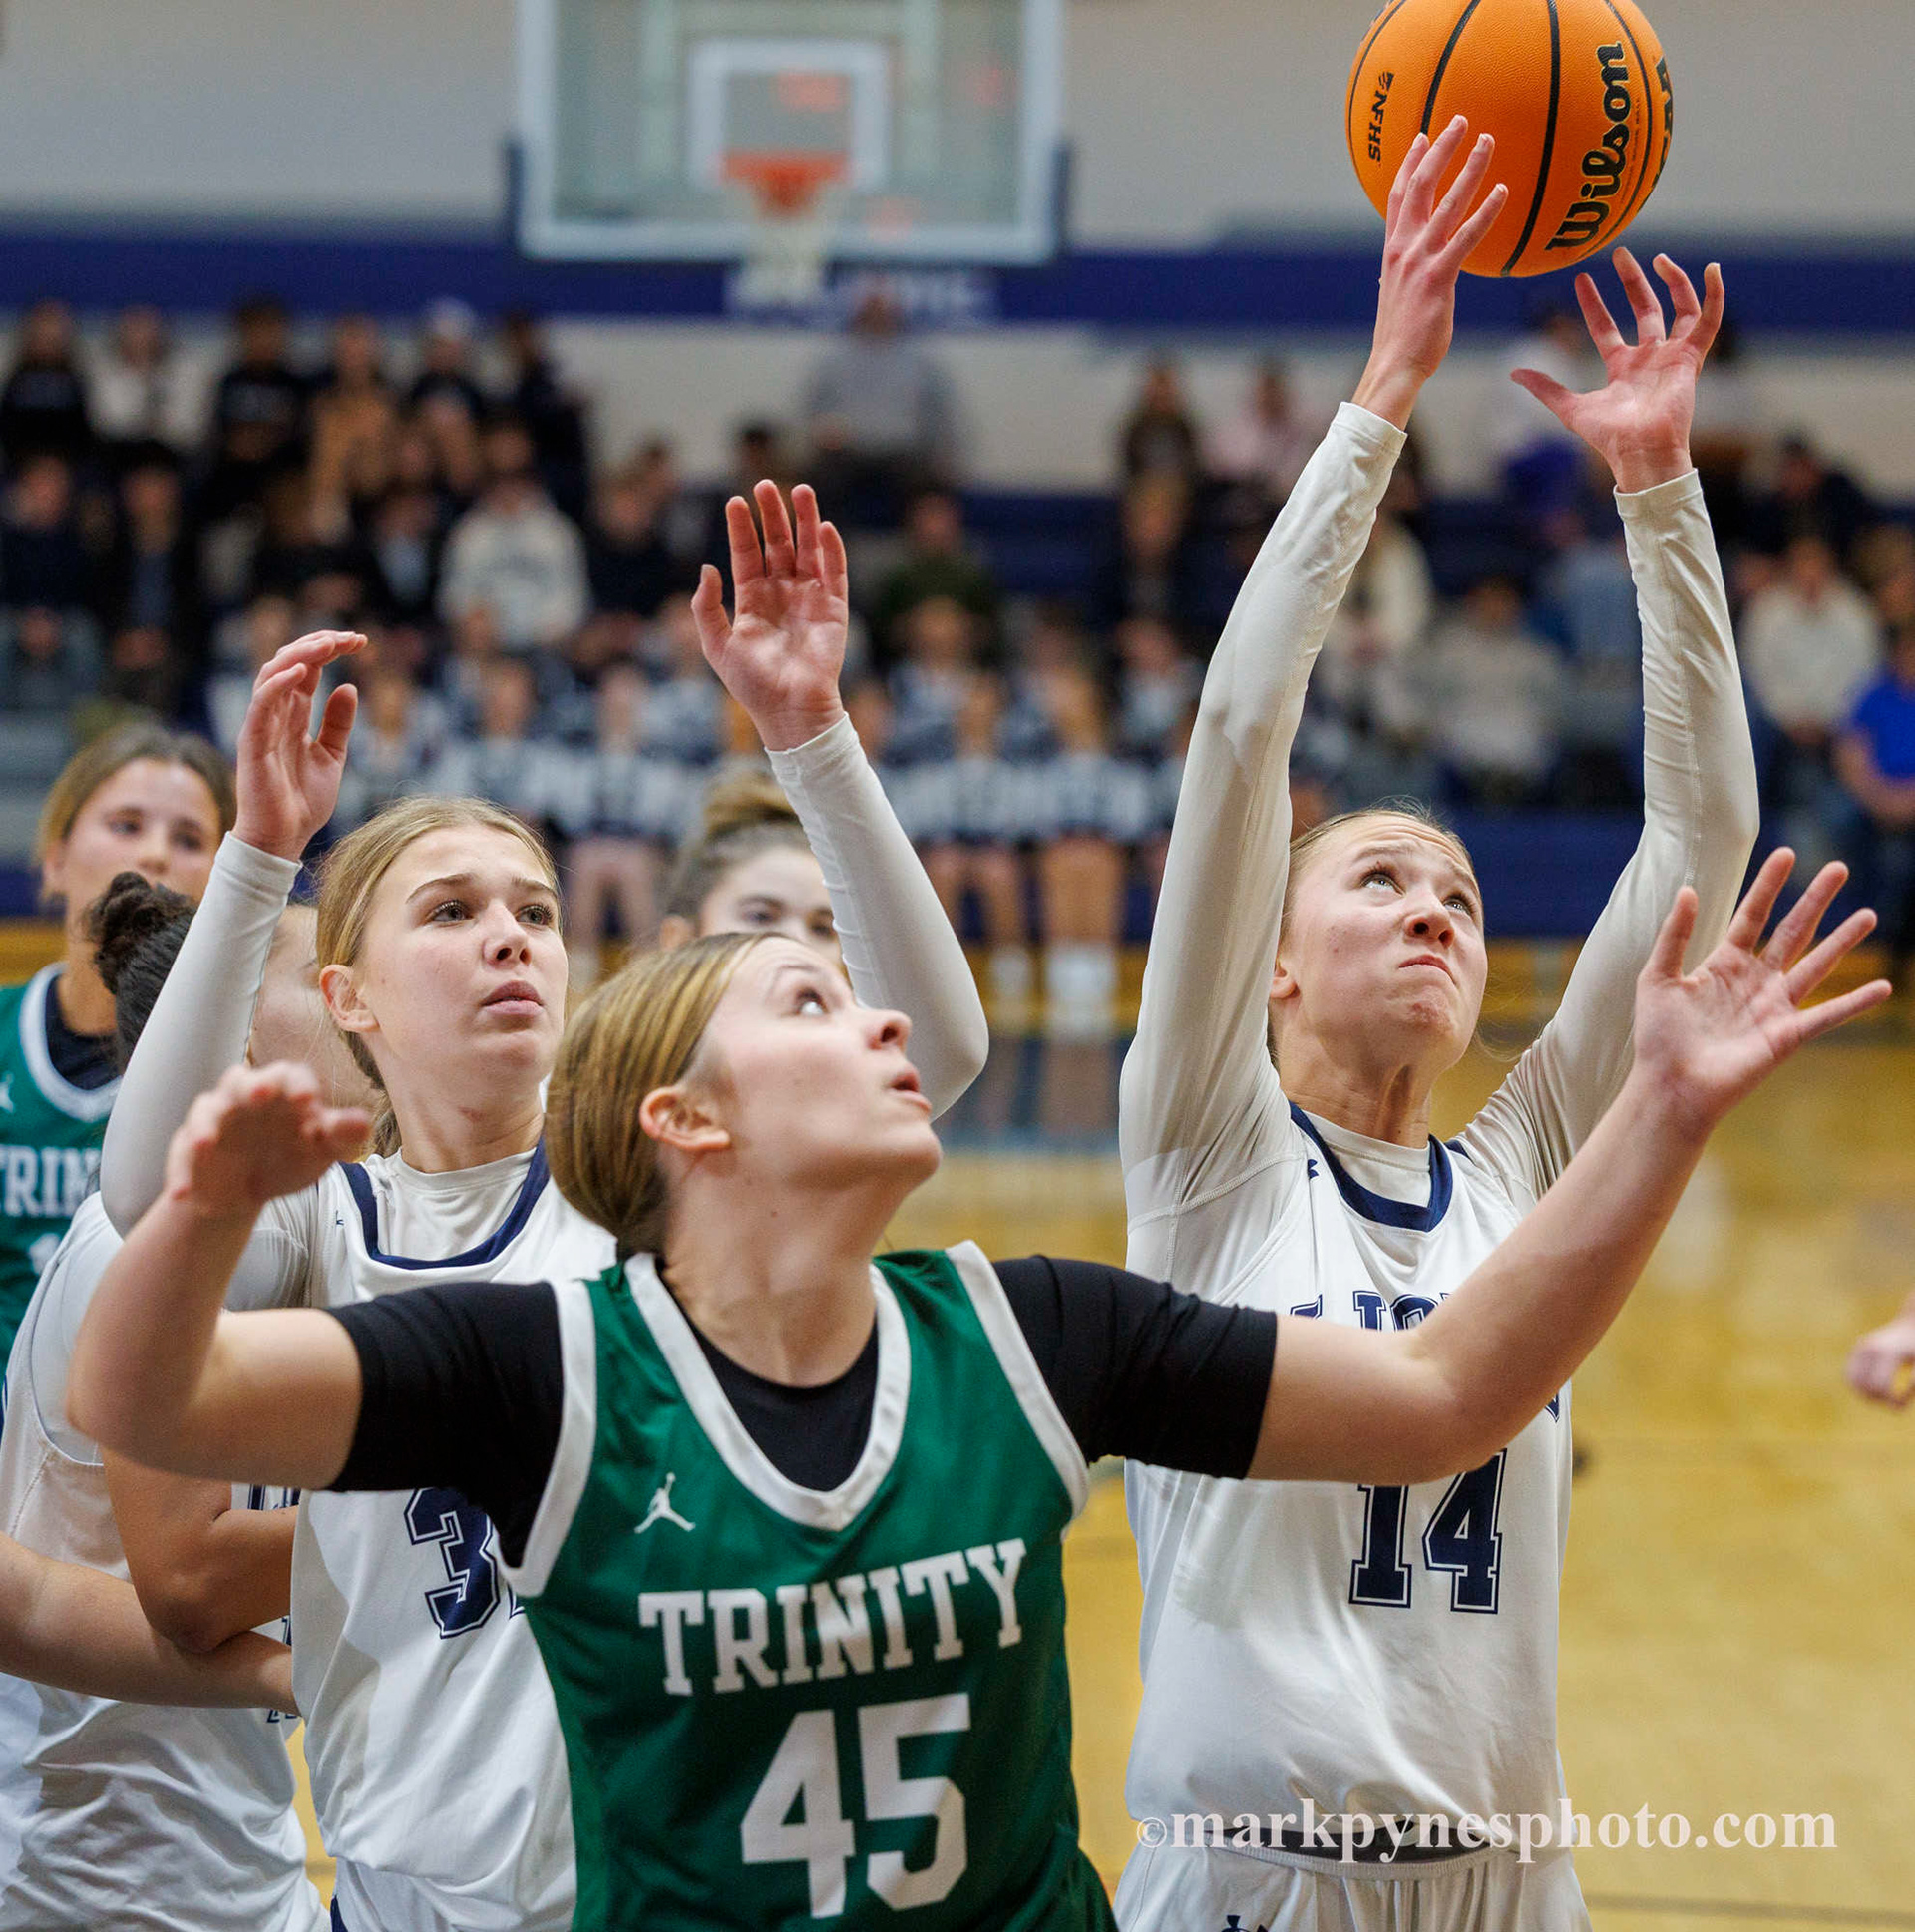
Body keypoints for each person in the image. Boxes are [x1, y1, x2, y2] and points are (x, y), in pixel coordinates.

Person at [67, 848, 1886, 1932]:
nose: (880, 1025)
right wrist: (207, 1208)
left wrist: (1662, 1106)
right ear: (685, 1122)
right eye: (810, 1002)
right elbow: (153, 1402)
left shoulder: (1036, 1334)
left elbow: (1440, 1394)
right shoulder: (543, 1364)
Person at [95, 481, 985, 1932]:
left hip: (666, 1889)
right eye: (450, 913)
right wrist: (260, 852)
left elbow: (935, 1054)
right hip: (397, 1895)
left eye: (535, 909)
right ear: (349, 999)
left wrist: (812, 736)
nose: (509, 933)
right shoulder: (319, 1224)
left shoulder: (648, 1175)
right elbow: (144, 1190)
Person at [1110, 123, 1763, 1932]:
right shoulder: (1206, 1147)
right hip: (1253, 1881)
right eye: (1383, 879)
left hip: (1508, 1882)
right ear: (1274, 966)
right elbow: (1244, 737)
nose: (1432, 908)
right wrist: (1383, 399)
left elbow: (1700, 844)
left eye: (1462, 900)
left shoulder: (1522, 1162)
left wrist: (1658, 495)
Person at [0, 873, 374, 1932]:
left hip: (225, 1831)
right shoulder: (184, 1235)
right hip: (90, 1862)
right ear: (235, 1037)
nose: (360, 991)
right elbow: (194, 1574)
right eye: (325, 974)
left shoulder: (304, 1216)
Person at [0, 724, 232, 1353]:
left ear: (225, 882)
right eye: (126, 825)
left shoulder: (239, 1064)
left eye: (189, 838)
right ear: (55, 858)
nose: (155, 855)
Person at [1831, 619, 1915, 988]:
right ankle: (1880, 951)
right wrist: (1880, 799)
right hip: (1874, 803)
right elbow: (1850, 756)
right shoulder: (1874, 694)